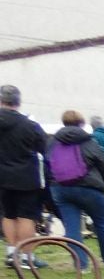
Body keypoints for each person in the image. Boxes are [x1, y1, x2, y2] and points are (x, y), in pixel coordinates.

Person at [45, 112, 104, 269]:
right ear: (82, 123)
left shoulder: (52, 142)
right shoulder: (88, 141)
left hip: (61, 188)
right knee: (102, 222)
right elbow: (103, 163)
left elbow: (47, 166)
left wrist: (51, 188)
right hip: (89, 187)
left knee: (72, 227)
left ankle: (81, 265)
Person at [0, 85, 48, 263]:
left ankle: (12, 253)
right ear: (18, 102)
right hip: (26, 177)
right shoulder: (30, 125)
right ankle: (27, 256)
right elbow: (45, 149)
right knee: (26, 216)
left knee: (8, 214)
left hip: (2, 177)